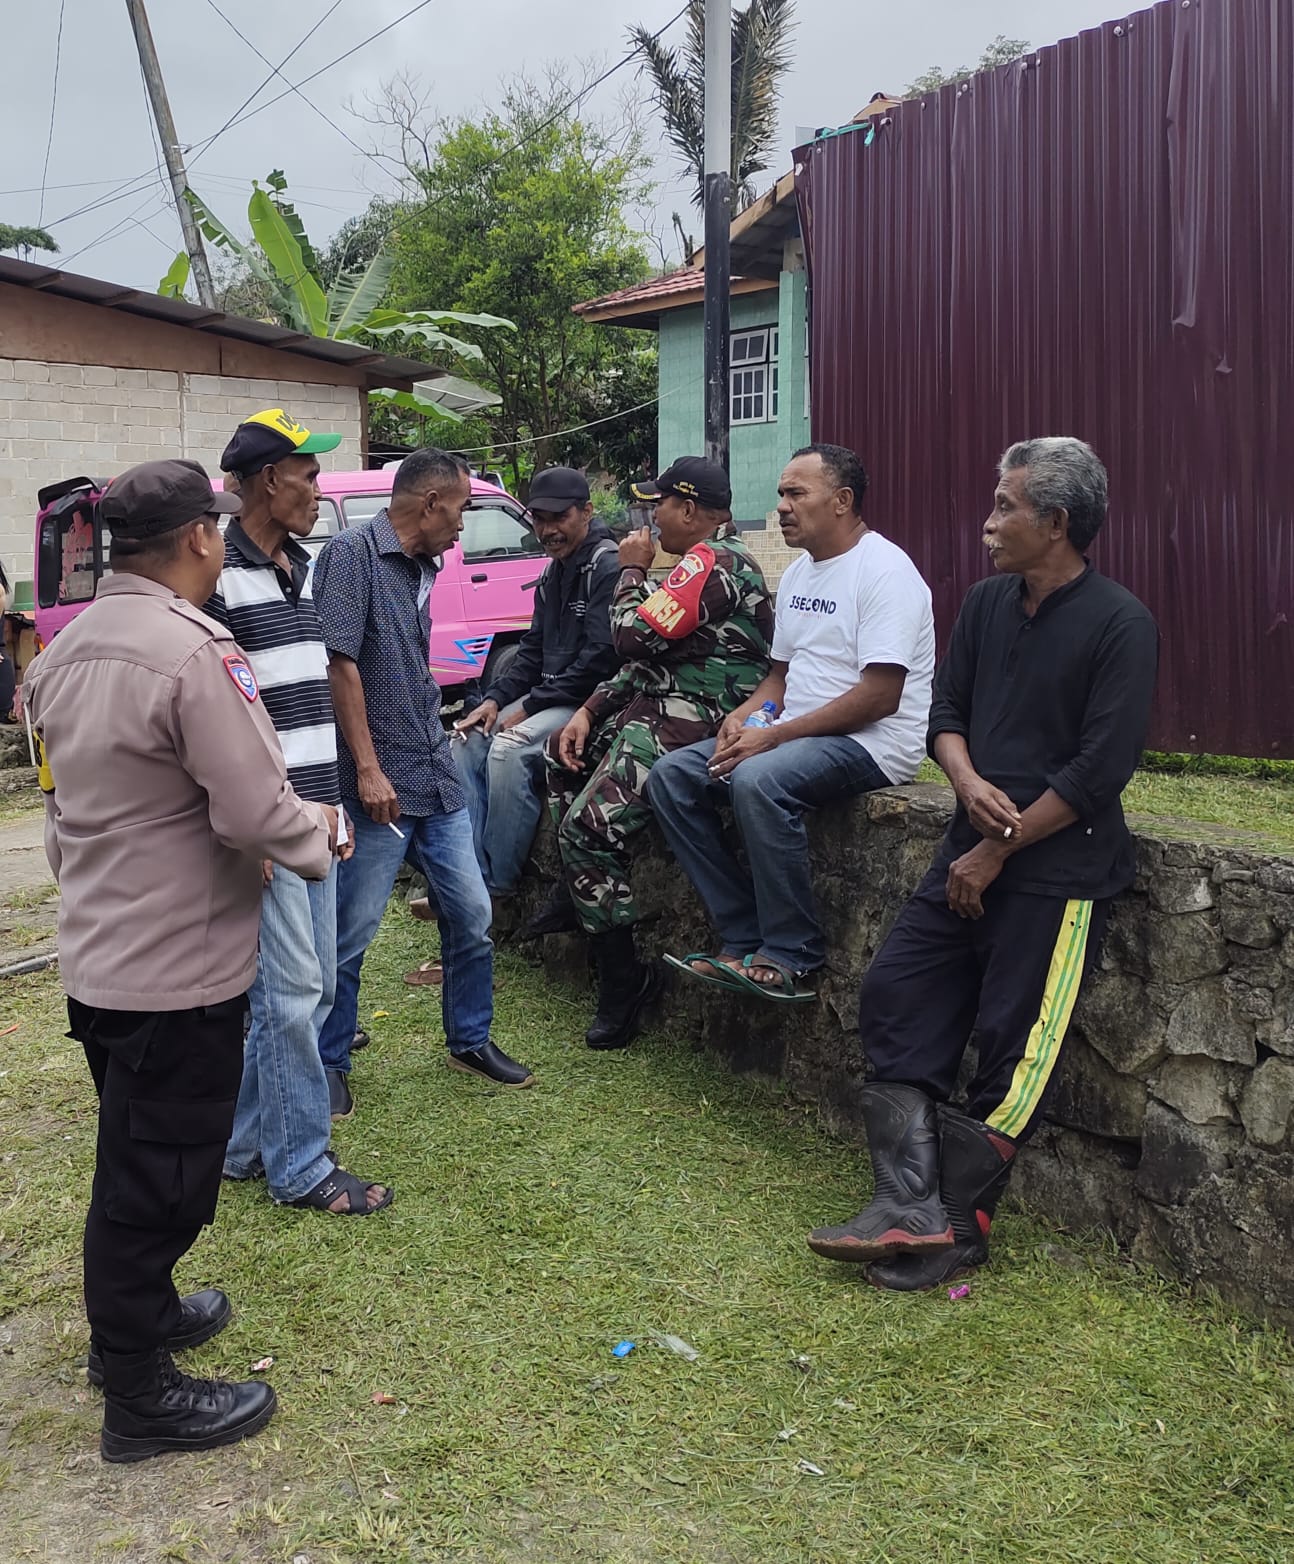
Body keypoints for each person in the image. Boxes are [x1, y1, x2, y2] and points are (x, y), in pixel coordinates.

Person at [23, 458, 342, 1462]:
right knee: (152, 1185)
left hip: (102, 954)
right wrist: (314, 835)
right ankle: (139, 1398)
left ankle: (143, 1319)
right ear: (203, 536)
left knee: (137, 1154)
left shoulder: (63, 653)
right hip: (176, 969)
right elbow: (253, 806)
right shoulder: (193, 649)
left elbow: (61, 807)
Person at [808, 438, 1159, 1290]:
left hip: (1058, 872)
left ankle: (958, 1229)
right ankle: (908, 1205)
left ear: (1057, 522)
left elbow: (1100, 770)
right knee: (896, 990)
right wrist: (964, 783)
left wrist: (1001, 847)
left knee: (1015, 1046)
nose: (988, 524)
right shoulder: (988, 604)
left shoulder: (1122, 624)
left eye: (1006, 508)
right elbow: (946, 713)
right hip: (965, 851)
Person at [647, 444, 935, 1000]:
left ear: (842, 502)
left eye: (796, 493)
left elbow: (880, 696)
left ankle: (792, 953)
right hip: (798, 732)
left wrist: (772, 736)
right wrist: (743, 718)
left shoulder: (886, 572)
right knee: (674, 777)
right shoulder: (802, 573)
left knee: (759, 779)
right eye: (781, 493)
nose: (781, 506)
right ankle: (741, 934)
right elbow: (780, 675)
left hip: (873, 742)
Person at [207, 409, 391, 1214]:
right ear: (267, 480)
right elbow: (217, 716)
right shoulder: (216, 579)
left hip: (318, 815)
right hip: (271, 823)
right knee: (288, 994)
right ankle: (302, 1165)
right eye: (308, 474)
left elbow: (312, 695)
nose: (318, 488)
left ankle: (246, 1147)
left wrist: (335, 805)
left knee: (308, 994)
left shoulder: (305, 566)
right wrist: (261, 826)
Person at [312, 446, 535, 1111]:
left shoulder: (425, 565)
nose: (465, 525)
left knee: (471, 913)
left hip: (435, 773)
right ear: (431, 502)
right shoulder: (351, 556)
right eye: (463, 508)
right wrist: (368, 769)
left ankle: (469, 1040)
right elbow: (338, 664)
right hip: (381, 786)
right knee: (351, 930)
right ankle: (328, 1058)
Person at [544, 456, 774, 1050]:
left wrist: (630, 571)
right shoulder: (697, 563)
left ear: (689, 509)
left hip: (696, 721)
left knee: (586, 830)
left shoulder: (714, 561)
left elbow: (628, 637)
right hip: (660, 706)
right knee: (556, 754)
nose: (649, 519)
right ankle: (578, 894)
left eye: (658, 506)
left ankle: (624, 983)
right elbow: (651, 660)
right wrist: (590, 708)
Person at [452, 466, 620, 899]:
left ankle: (498, 884)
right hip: (548, 697)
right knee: (467, 739)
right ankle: (468, 877)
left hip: (589, 703)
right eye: (539, 520)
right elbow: (531, 651)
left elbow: (600, 660)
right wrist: (494, 699)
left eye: (558, 518)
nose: (547, 530)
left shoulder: (607, 566)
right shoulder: (553, 573)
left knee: (508, 751)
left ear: (586, 511)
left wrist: (528, 706)